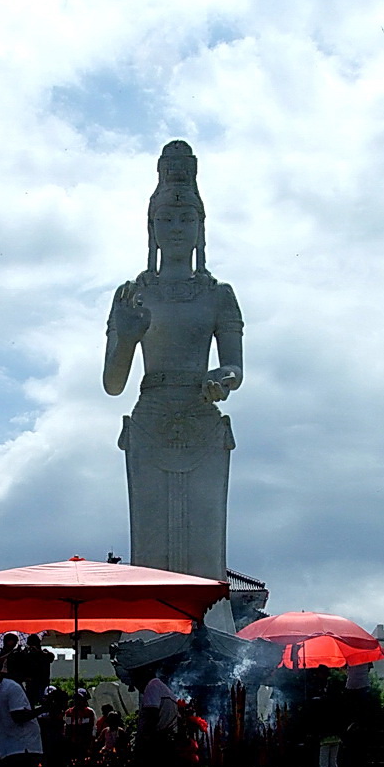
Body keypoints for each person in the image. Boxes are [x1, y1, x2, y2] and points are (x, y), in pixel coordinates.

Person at [102, 141, 243, 608]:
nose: (177, 228)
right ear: (152, 227)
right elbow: (113, 383)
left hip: (202, 418)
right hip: (150, 417)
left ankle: (207, 624)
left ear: (202, 227)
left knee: (206, 535)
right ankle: (150, 623)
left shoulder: (218, 294)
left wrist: (220, 381)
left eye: (186, 219)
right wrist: (125, 336)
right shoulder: (133, 294)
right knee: (150, 535)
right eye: (167, 218)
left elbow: (234, 367)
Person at [19, 634, 55, 706]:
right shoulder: (28, 655)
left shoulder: (44, 654)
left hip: (42, 683)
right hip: (31, 684)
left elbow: (51, 657)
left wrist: (39, 652)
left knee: (43, 703)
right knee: (30, 703)